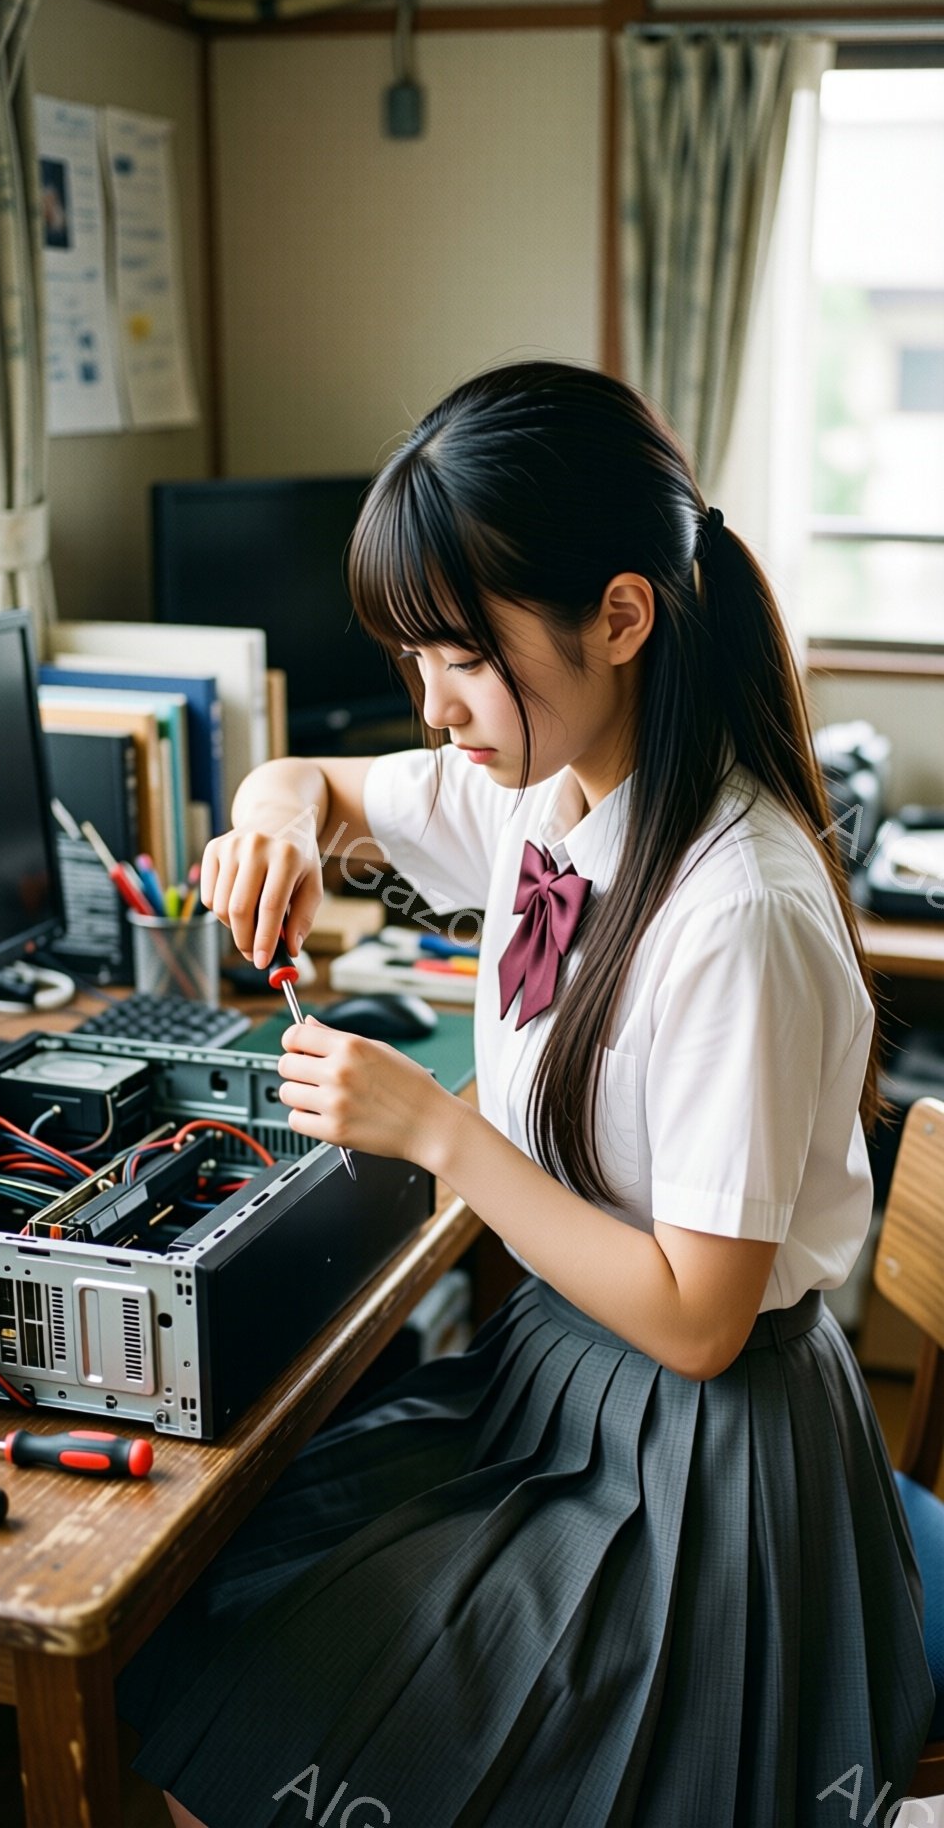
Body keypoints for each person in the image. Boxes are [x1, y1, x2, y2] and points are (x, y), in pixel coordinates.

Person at [116, 361, 934, 1827]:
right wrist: (271, 828)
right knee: (209, 1596)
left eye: (458, 659)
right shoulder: (540, 789)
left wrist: (442, 1134)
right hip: (560, 1384)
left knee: (282, 1688)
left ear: (620, 617)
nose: (432, 709)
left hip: (710, 1460)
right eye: (412, 660)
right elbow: (318, 783)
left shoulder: (736, 907)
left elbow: (698, 1321)